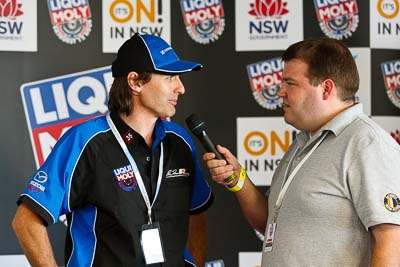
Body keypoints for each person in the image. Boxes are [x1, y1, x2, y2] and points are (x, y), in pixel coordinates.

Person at [12, 33, 213, 267]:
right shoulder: (86, 141)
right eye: (170, 77)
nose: (181, 88)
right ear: (135, 82)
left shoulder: (180, 140)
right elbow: (26, 221)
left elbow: (197, 210)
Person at [203, 37, 400, 266]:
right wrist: (239, 180)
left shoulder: (366, 143)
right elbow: (272, 223)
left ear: (326, 88)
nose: (280, 92)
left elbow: (392, 239)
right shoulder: (303, 142)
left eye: (290, 83)